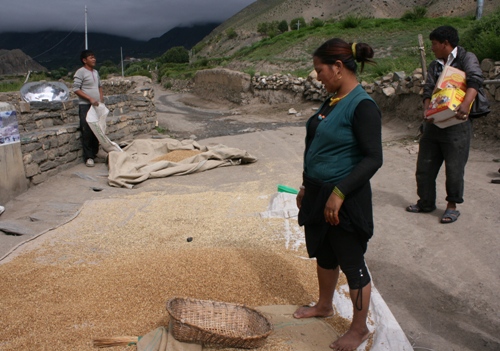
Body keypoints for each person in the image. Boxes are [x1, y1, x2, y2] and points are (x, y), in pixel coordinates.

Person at [294, 38, 383, 350]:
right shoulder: (331, 101)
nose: (317, 76)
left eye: (320, 70)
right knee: (325, 253)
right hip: (319, 193)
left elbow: (374, 158)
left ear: (338, 67)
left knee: (351, 260)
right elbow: (316, 147)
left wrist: (340, 192)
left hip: (345, 198)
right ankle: (324, 305)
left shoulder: (362, 106)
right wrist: (306, 185)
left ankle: (359, 329)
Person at [406, 26, 483, 223]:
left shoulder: (466, 58)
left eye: (434, 44)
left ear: (445, 44)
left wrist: (465, 105)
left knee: (454, 168)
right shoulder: (434, 65)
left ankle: (452, 207)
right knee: (425, 165)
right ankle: (425, 202)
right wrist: (426, 110)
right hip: (434, 123)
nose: (432, 48)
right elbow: (428, 89)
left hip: (457, 123)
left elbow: (475, 81)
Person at [73, 50, 103, 167]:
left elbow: (99, 86)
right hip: (85, 105)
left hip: (96, 105)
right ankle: (88, 157)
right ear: (84, 60)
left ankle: (95, 153)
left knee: (97, 129)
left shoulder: (96, 72)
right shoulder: (80, 72)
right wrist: (89, 98)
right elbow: (76, 88)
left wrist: (101, 100)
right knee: (87, 130)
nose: (94, 59)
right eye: (91, 57)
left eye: (94, 57)